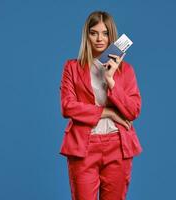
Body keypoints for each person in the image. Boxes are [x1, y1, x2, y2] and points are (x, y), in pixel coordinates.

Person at [59, 10, 143, 200]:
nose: (99, 38)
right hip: (84, 147)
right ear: (86, 35)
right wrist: (108, 113)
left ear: (112, 36)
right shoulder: (72, 67)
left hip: (118, 145)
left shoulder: (126, 70)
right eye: (93, 32)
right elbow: (67, 106)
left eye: (105, 33)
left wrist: (111, 80)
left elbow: (133, 110)